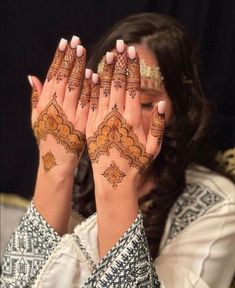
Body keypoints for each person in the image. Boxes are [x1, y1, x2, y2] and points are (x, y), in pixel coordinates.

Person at [1, 13, 235, 288]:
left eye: (144, 103)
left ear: (179, 111)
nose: (119, 116)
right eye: (105, 95)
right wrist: (53, 168)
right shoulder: (78, 176)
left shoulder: (218, 206)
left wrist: (116, 186)